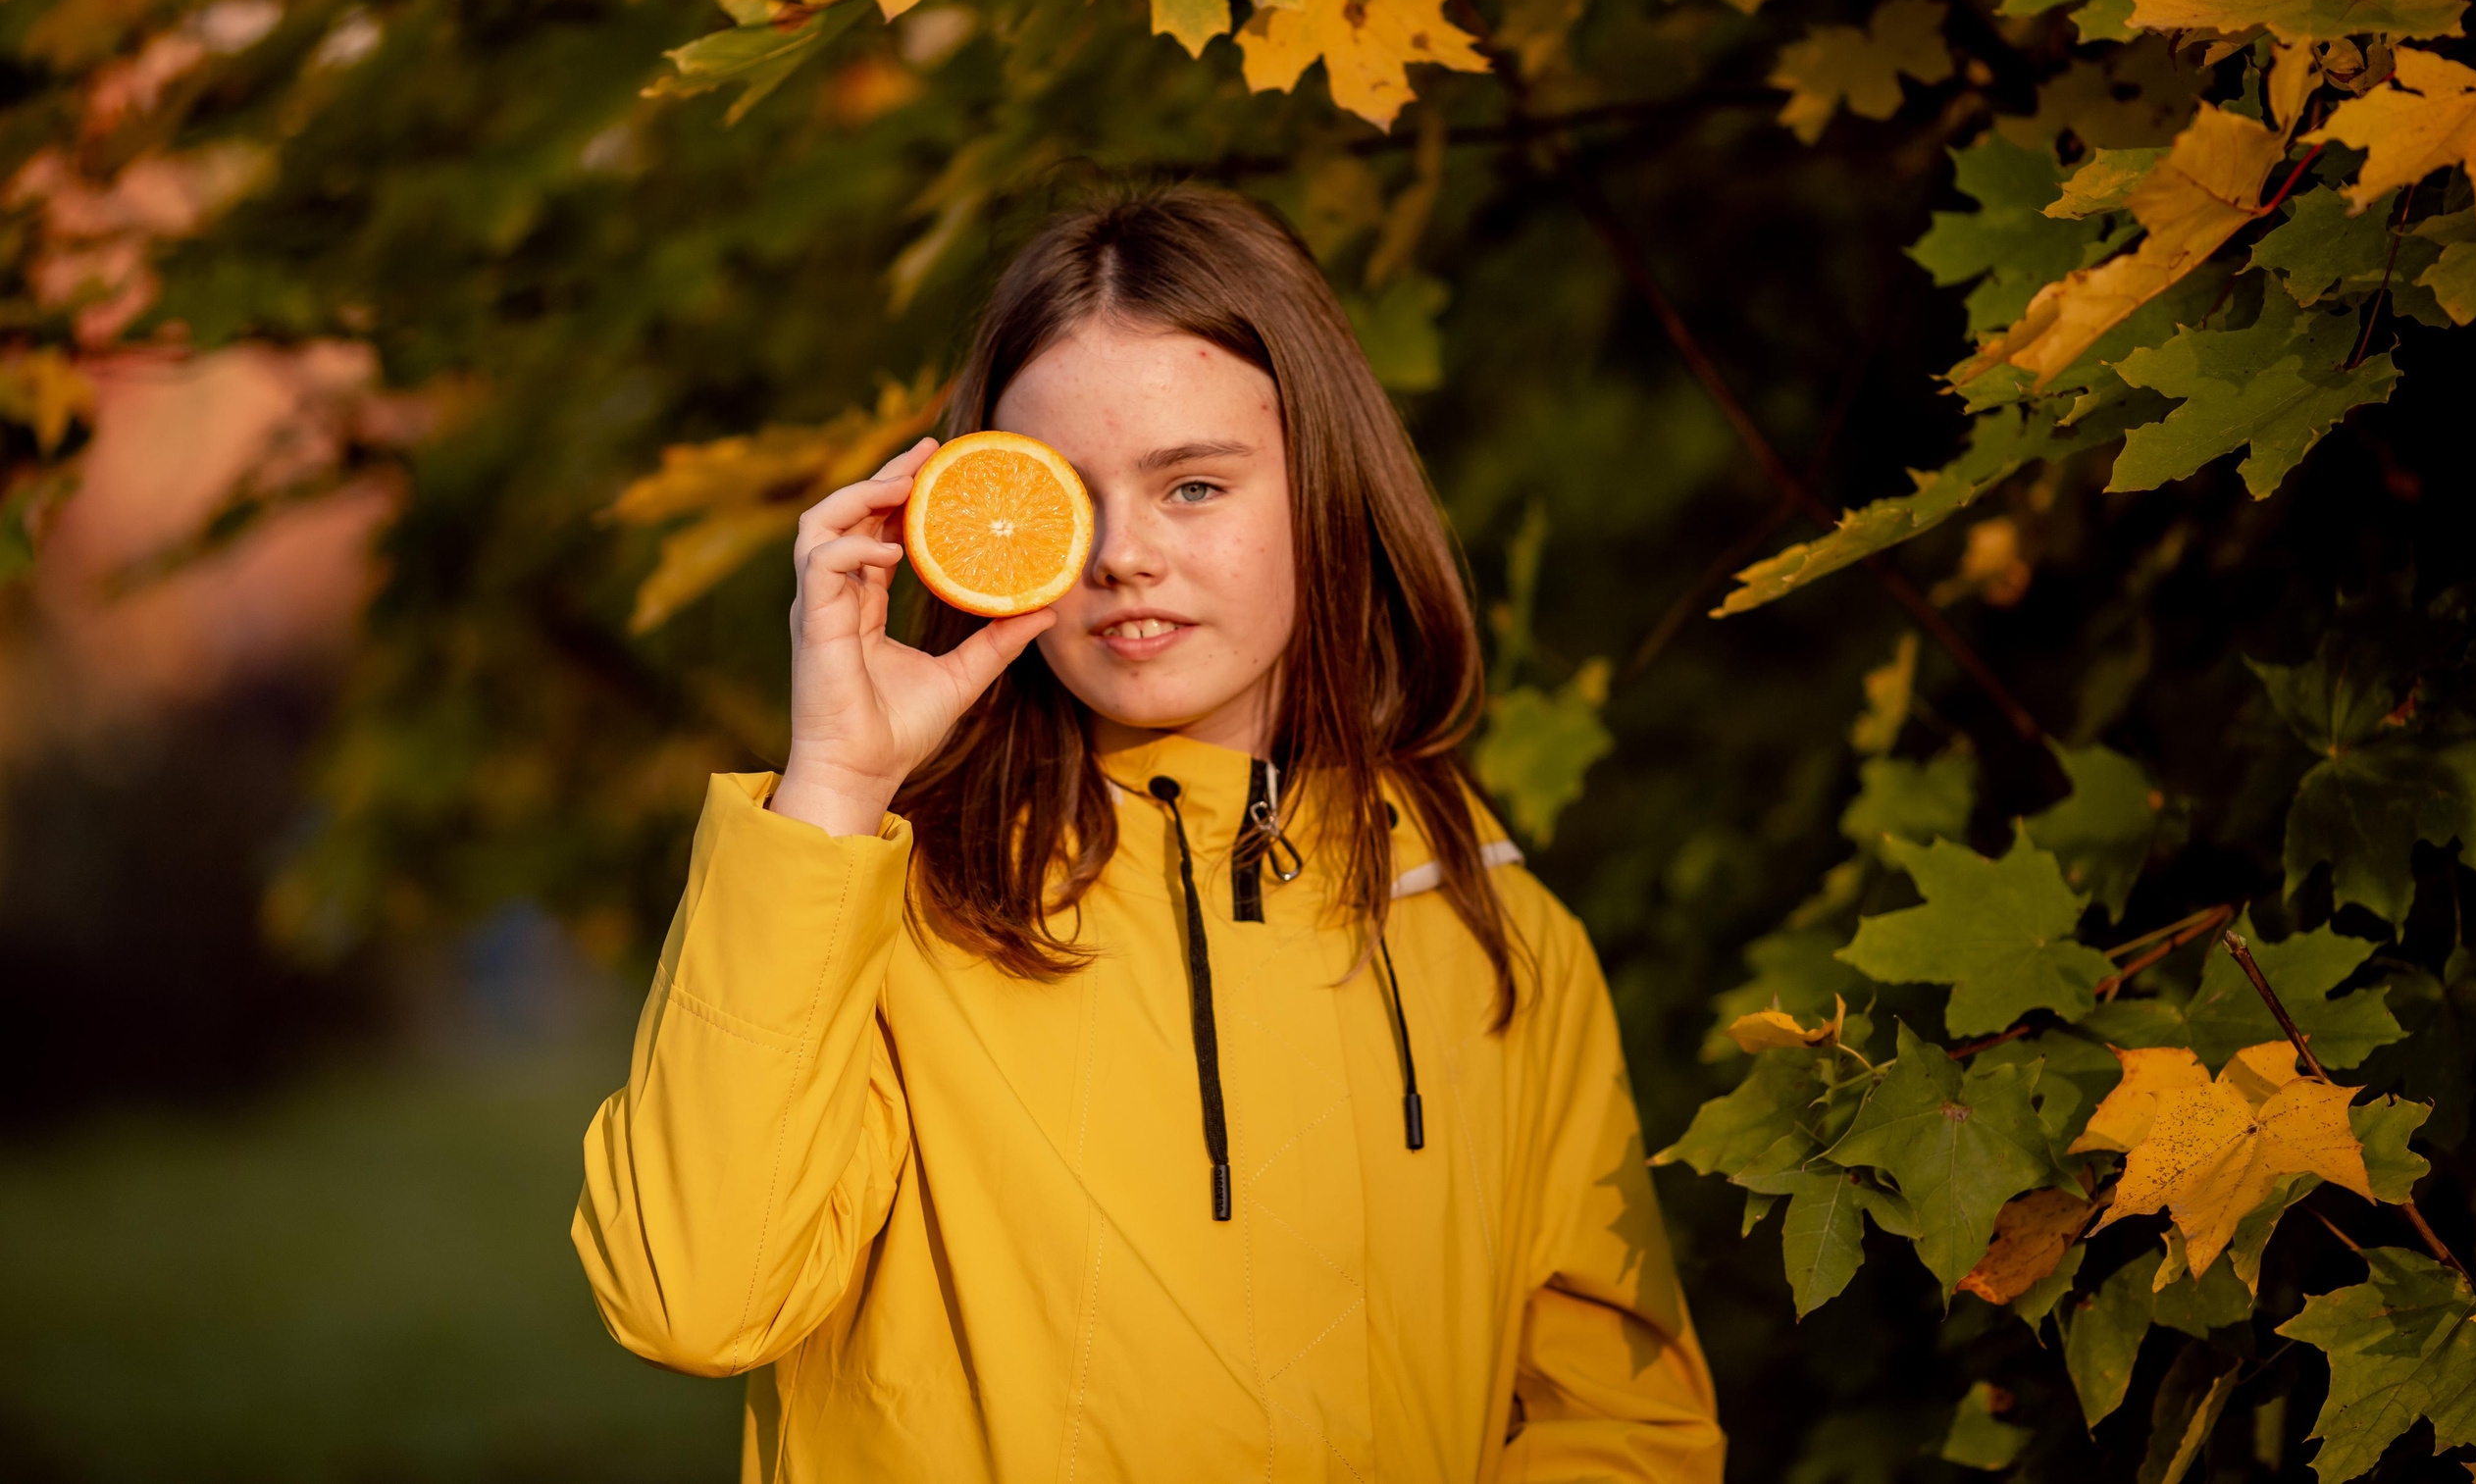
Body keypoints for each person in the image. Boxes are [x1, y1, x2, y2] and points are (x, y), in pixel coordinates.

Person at [572, 185, 1724, 1482]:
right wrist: (834, 784)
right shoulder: (882, 901)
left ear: (1325, 491)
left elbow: (1620, 1425)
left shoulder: (1487, 923)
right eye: (1061, 497)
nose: (1122, 554)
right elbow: (693, 1299)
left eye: (1191, 485)